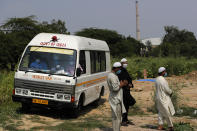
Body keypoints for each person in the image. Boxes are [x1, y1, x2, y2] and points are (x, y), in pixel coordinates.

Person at [107, 62, 128, 131]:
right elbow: (115, 88)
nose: (120, 70)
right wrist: (122, 84)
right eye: (119, 69)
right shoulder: (112, 76)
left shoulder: (112, 75)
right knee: (116, 118)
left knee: (117, 117)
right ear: (116, 68)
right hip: (115, 99)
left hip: (116, 98)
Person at [155, 67, 175, 131]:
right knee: (167, 112)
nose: (165, 73)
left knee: (161, 112)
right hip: (163, 98)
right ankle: (170, 126)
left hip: (158, 98)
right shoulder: (163, 80)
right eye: (165, 71)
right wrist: (171, 92)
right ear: (163, 72)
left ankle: (160, 126)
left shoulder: (157, 79)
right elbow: (166, 89)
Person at [118, 58, 135, 126]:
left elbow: (129, 79)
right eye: (125, 63)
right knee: (125, 105)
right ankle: (123, 120)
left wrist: (131, 84)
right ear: (121, 63)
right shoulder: (120, 71)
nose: (126, 64)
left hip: (127, 90)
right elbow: (122, 81)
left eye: (126, 62)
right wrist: (127, 84)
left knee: (127, 105)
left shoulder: (125, 70)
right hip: (123, 91)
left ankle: (125, 119)